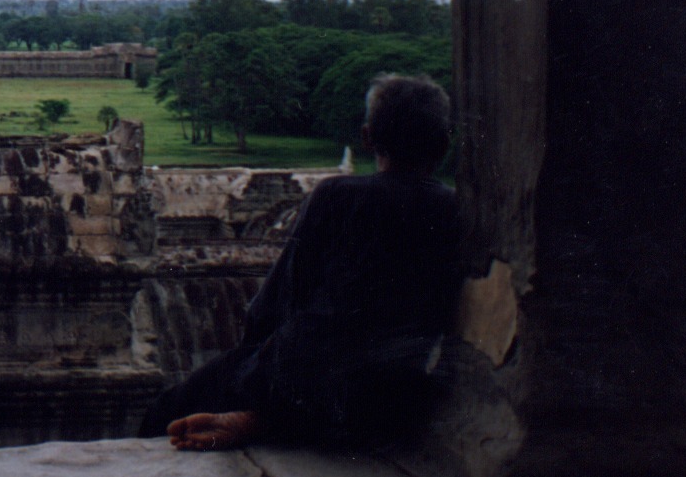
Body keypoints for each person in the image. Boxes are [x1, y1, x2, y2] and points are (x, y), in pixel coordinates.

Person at [138, 74, 459, 451]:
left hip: (314, 374)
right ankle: (273, 419)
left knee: (166, 413)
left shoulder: (339, 195)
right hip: (399, 384)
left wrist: (251, 367)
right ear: (443, 144)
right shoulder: (456, 209)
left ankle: (265, 416)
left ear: (367, 137)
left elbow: (276, 302)